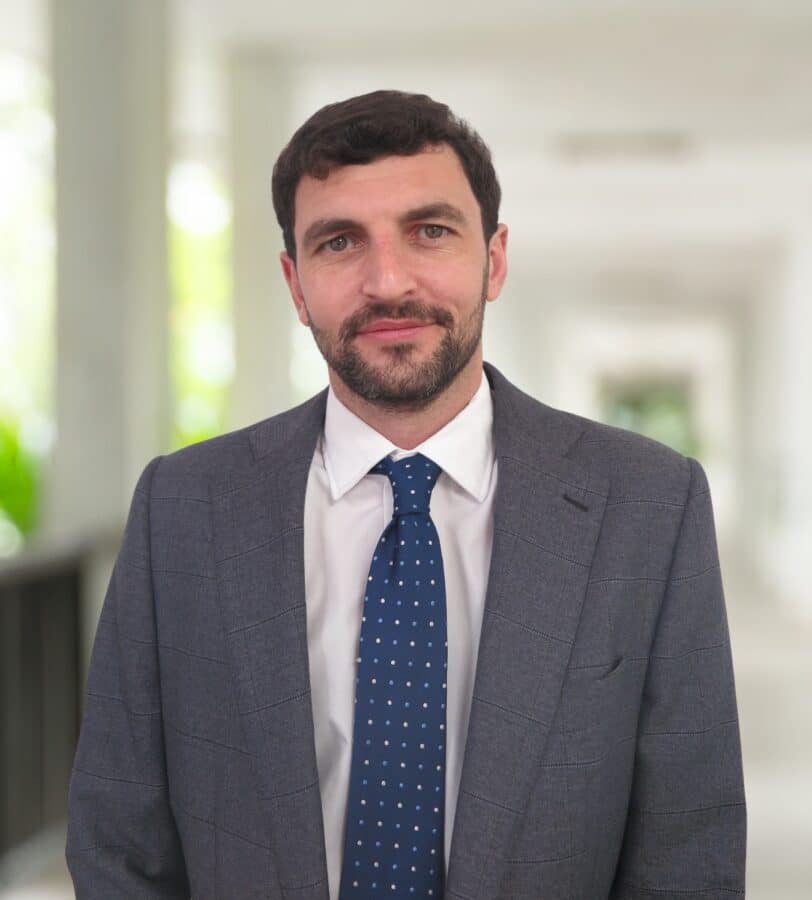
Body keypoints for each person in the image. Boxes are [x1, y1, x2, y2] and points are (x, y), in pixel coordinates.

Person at [66, 90, 746, 899]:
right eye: (339, 241)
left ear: (493, 260)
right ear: (294, 282)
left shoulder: (649, 506)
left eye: (430, 231)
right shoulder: (183, 508)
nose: (387, 281)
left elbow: (689, 854)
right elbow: (119, 843)